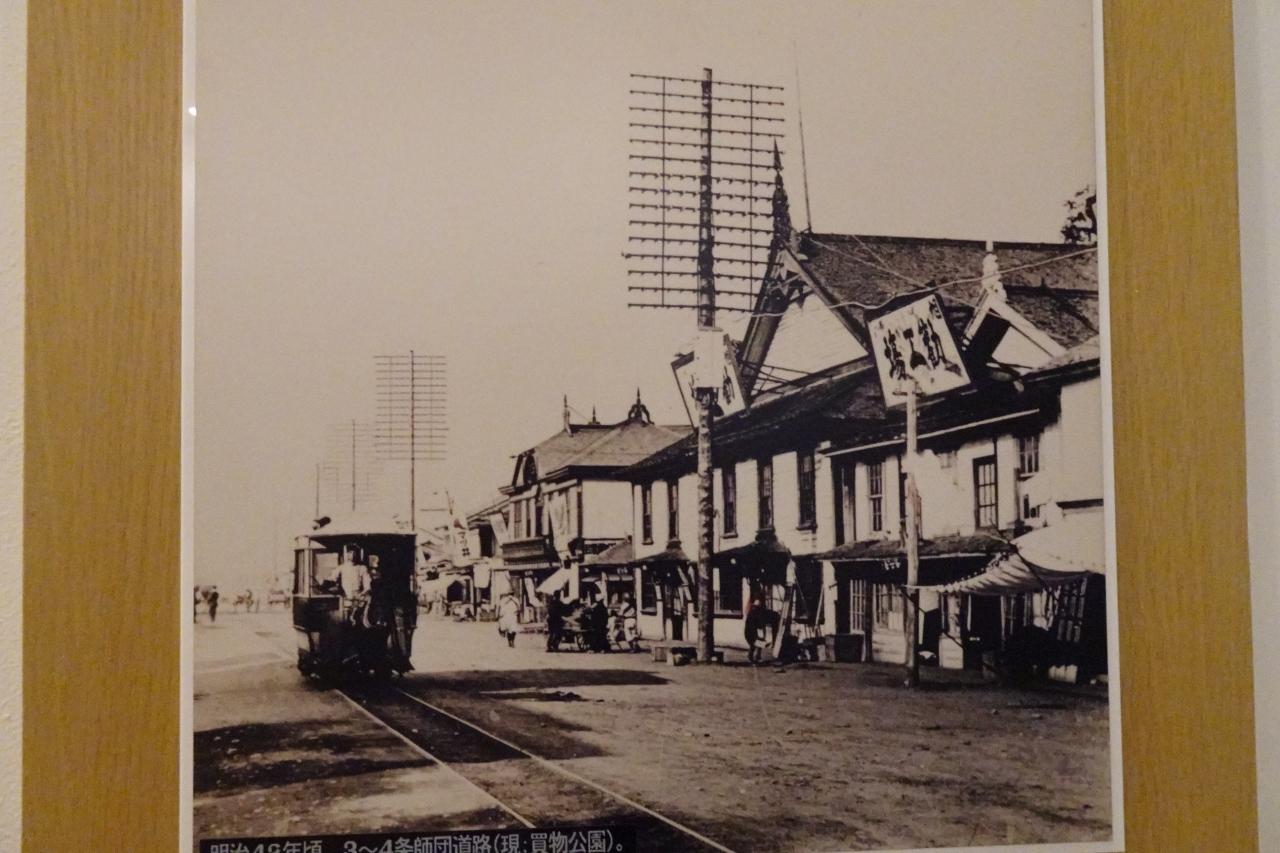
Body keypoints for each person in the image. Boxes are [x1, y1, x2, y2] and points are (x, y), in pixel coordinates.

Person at [745, 597, 769, 664]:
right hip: (750, 632)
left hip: (754, 631)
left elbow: (760, 624)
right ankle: (752, 657)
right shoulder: (752, 614)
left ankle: (756, 657)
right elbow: (753, 625)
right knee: (754, 644)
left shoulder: (756, 613)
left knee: (759, 644)